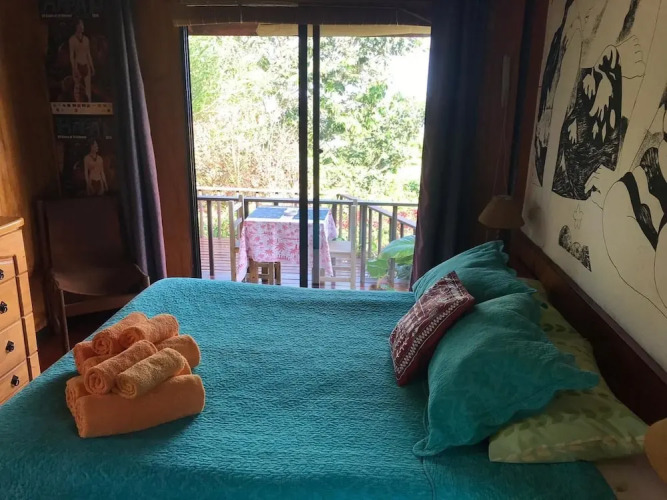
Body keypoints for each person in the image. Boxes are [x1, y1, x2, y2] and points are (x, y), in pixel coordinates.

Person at [69, 18, 95, 102]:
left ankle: (89, 105)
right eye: (80, 25)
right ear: (76, 26)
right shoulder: (72, 39)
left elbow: (88, 54)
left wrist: (92, 67)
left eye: (82, 25)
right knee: (78, 89)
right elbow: (71, 55)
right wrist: (74, 68)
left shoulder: (86, 39)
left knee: (88, 89)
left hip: (86, 65)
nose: (82, 27)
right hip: (77, 65)